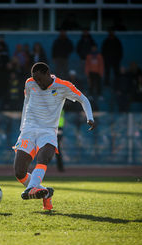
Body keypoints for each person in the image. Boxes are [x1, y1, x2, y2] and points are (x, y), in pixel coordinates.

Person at [13, 62, 95, 211]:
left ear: (47, 74)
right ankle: (45, 194)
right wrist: (22, 128)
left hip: (48, 131)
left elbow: (84, 99)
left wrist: (90, 117)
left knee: (44, 156)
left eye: (40, 79)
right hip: (29, 129)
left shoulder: (64, 86)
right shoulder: (29, 83)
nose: (37, 82)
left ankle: (31, 188)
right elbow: (26, 103)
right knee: (19, 172)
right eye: (35, 79)